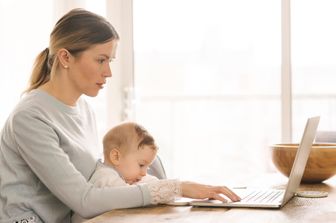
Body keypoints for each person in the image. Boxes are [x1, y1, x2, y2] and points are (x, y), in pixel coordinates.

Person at [0, 8, 240, 223]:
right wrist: (175, 188)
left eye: (110, 60)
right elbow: (85, 199)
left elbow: (92, 180)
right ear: (65, 58)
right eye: (101, 60)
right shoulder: (29, 118)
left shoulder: (83, 109)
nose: (109, 72)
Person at [72, 122, 160, 222]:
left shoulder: (124, 176)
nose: (144, 173)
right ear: (116, 157)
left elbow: (150, 182)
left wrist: (160, 187)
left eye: (147, 167)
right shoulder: (106, 178)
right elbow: (131, 197)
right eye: (141, 165)